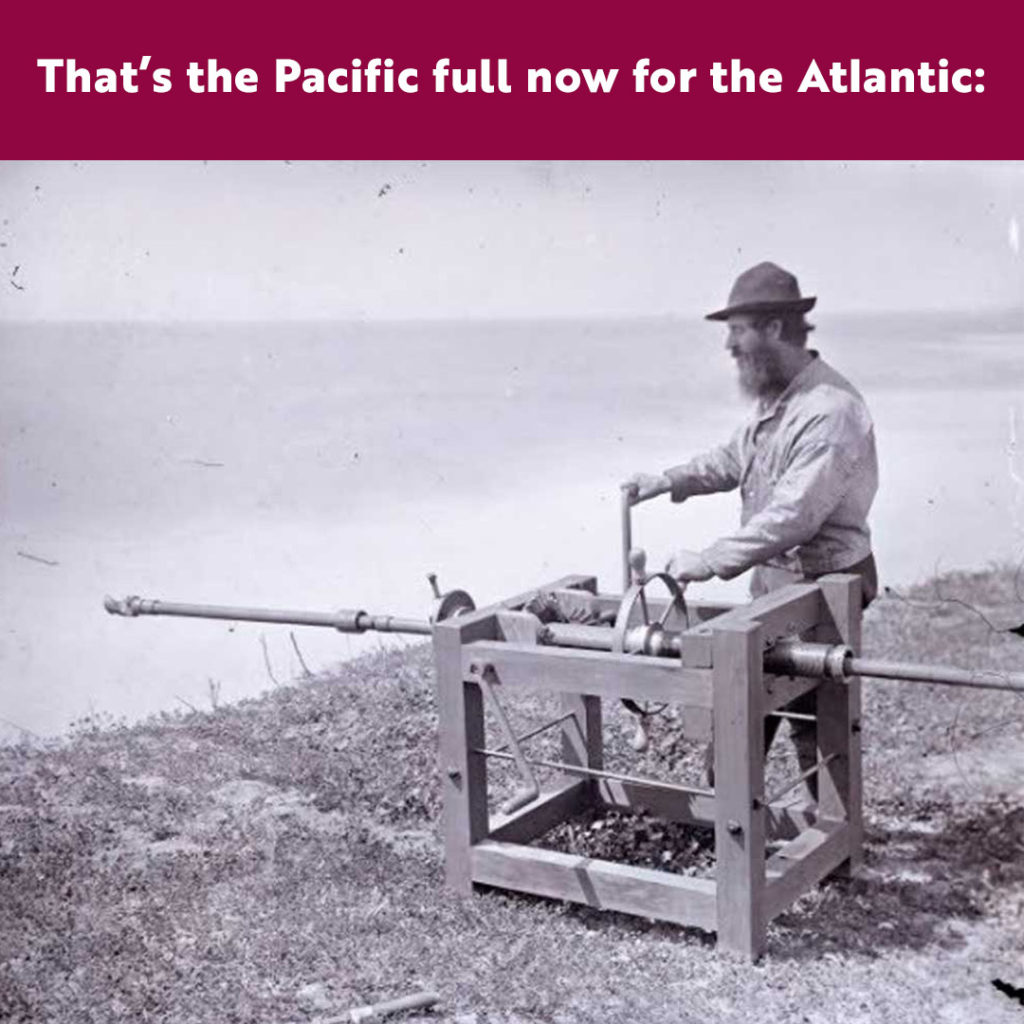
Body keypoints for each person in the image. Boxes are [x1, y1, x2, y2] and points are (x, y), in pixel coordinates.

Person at [624, 261, 879, 794]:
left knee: (808, 712)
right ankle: (741, 821)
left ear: (774, 329)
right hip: (776, 583)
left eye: (737, 332)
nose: (729, 348)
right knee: (748, 704)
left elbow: (795, 515)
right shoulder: (781, 400)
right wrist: (668, 480)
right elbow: (733, 457)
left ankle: (830, 843)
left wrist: (710, 559)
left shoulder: (831, 411)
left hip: (825, 587)